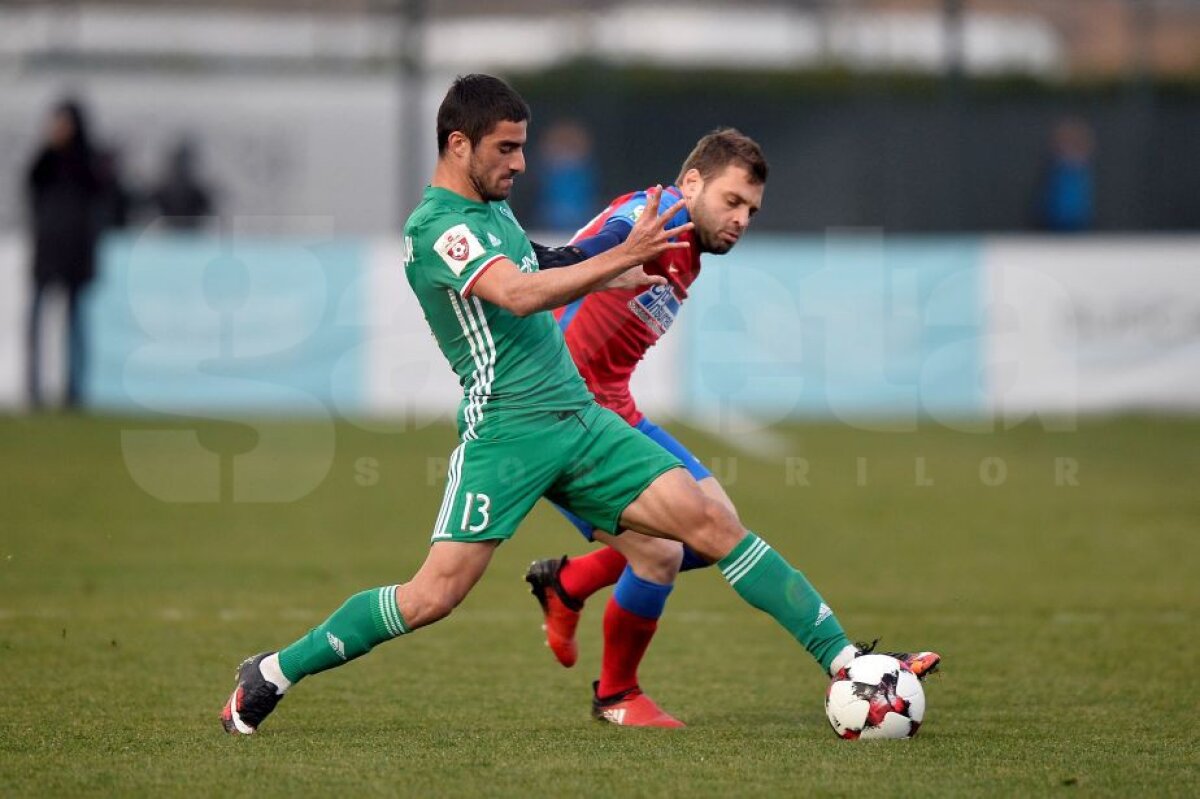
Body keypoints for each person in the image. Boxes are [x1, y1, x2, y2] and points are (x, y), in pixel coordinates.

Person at [220, 74, 938, 735]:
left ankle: (846, 660)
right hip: (508, 430)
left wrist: (595, 272)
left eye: (523, 147)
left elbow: (543, 261)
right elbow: (519, 292)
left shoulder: (494, 214)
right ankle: (274, 670)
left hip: (583, 418)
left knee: (710, 524)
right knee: (432, 596)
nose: (522, 164)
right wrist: (617, 262)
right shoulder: (436, 226)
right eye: (507, 149)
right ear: (457, 144)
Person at [522, 130, 940, 727]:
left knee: (713, 529)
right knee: (667, 552)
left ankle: (570, 583)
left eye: (751, 210)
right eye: (732, 201)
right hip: (562, 417)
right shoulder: (653, 218)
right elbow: (582, 251)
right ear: (691, 183)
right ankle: (617, 694)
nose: (742, 220)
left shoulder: (690, 244)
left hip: (614, 406)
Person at [25, 99, 101, 409]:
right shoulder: (45, 161)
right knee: (36, 321)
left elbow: (99, 199)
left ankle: (74, 391)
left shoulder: (86, 163)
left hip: (75, 254)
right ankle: (34, 388)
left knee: (75, 324)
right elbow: (31, 184)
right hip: (47, 252)